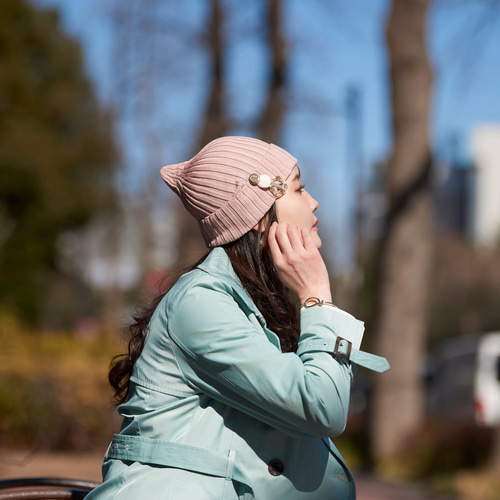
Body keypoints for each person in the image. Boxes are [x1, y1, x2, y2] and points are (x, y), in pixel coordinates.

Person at [86, 136, 389, 500]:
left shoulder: (249, 304)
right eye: (298, 188)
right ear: (259, 215)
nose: (313, 201)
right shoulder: (200, 304)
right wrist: (317, 296)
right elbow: (321, 407)